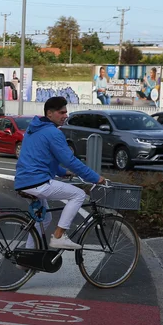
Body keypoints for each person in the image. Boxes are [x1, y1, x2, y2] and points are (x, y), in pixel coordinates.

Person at [14, 96, 106, 250]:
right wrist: (95, 178)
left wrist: (63, 172)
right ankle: (58, 236)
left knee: (44, 219)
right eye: (61, 112)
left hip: (24, 181)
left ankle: (28, 256)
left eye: (66, 112)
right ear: (49, 114)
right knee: (78, 195)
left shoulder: (34, 129)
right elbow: (70, 160)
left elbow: (45, 158)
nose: (65, 115)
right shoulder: (53, 133)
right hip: (37, 182)